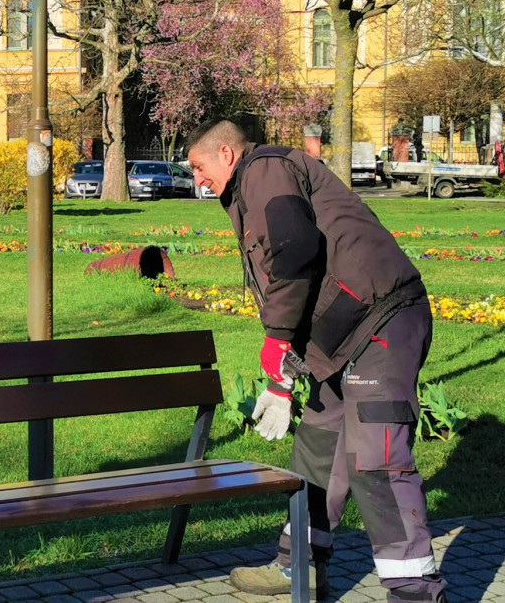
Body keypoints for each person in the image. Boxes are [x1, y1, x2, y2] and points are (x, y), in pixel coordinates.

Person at [185, 118, 446, 603]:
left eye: (199, 166)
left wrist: (277, 339)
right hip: (343, 338)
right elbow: (304, 272)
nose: (196, 179)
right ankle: (297, 568)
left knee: (378, 461)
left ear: (226, 154)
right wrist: (285, 377)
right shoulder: (252, 185)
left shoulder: (264, 171)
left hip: (382, 321)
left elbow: (296, 251)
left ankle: (415, 592)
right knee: (317, 451)